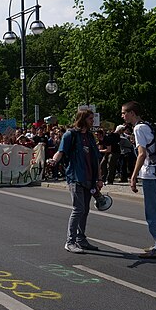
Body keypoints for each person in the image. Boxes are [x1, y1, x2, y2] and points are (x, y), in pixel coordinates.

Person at [47, 108, 103, 254]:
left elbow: (96, 158)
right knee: (78, 209)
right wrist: (53, 161)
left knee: (85, 210)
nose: (93, 121)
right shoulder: (70, 135)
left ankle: (81, 239)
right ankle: (70, 241)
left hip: (90, 179)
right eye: (90, 119)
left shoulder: (90, 137)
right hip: (75, 177)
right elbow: (61, 152)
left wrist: (99, 178)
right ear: (83, 119)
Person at [121, 101, 156, 259]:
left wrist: (133, 176)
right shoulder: (147, 125)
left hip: (150, 173)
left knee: (153, 210)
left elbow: (142, 154)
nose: (122, 116)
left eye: (124, 113)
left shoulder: (138, 128)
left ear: (132, 113)